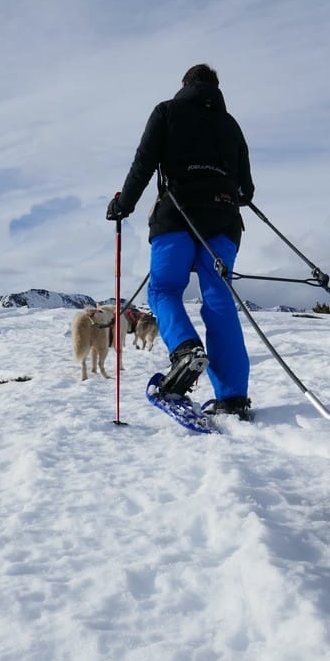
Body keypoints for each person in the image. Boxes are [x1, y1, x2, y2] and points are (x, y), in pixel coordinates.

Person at [106, 63, 254, 420]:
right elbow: (246, 191)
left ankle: (185, 349)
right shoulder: (231, 125)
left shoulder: (167, 111)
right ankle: (232, 397)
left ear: (185, 84)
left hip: (176, 217)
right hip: (222, 223)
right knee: (219, 297)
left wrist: (122, 204)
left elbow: (144, 163)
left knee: (163, 290)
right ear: (215, 88)